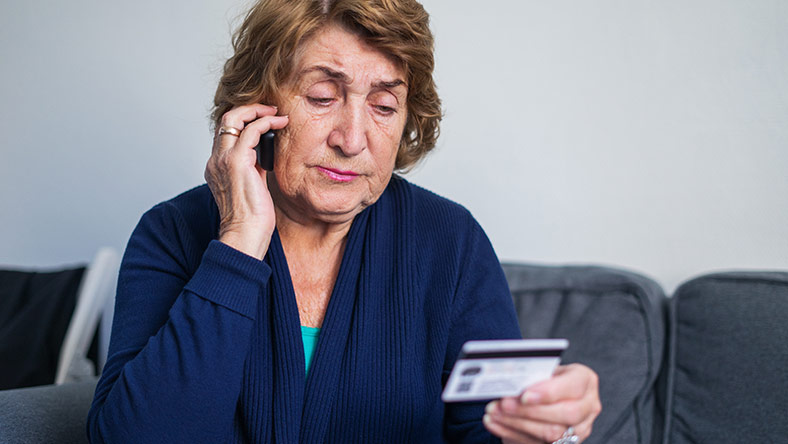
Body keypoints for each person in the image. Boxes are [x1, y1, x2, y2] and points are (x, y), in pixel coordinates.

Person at [87, 0, 601, 442]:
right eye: (322, 97)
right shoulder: (172, 233)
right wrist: (238, 242)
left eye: (383, 105)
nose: (352, 139)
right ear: (257, 105)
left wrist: (551, 427)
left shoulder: (450, 242)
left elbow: (491, 429)